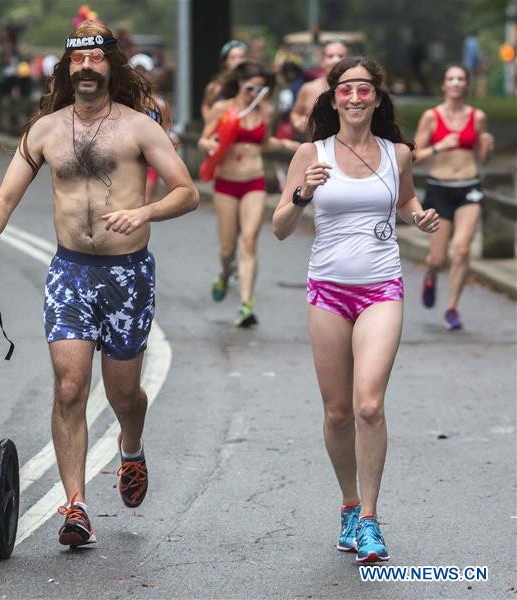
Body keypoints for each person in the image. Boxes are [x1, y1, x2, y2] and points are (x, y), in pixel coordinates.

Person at [0, 21, 198, 548]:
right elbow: (5, 195)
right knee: (69, 387)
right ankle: (76, 505)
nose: (87, 67)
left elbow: (187, 192)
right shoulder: (45, 131)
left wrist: (144, 212)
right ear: (67, 69)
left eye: (96, 58)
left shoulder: (139, 128)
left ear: (111, 66)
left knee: (123, 394)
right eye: (78, 59)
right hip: (70, 272)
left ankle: (131, 446)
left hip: (127, 276)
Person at [273, 56, 439, 563]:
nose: (355, 97)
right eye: (346, 89)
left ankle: (369, 518)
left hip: (381, 288)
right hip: (328, 291)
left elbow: (404, 201)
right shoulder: (312, 152)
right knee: (338, 412)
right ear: (333, 98)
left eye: (364, 89)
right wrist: (303, 193)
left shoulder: (398, 154)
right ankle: (348, 505)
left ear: (377, 98)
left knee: (368, 405)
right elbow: (280, 227)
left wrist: (419, 216)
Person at [198, 61, 299, 327]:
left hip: (254, 181)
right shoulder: (223, 108)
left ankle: (246, 304)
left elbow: (264, 143)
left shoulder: (264, 111)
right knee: (227, 248)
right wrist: (211, 144)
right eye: (250, 87)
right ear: (240, 84)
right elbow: (203, 139)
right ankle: (224, 272)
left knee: (250, 241)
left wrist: (285, 143)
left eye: (260, 89)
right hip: (227, 182)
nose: (255, 93)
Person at [412, 65, 494, 330]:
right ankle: (431, 273)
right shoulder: (431, 116)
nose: (456, 82)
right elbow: (413, 156)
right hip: (439, 188)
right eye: (451, 78)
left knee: (461, 249)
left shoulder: (478, 116)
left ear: (466, 84)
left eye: (460, 79)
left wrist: (487, 148)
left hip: (469, 186)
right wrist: (438, 146)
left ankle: (452, 309)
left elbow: (483, 159)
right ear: (444, 85)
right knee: (438, 258)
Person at [129, 53, 180, 204]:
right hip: (129, 159)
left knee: (144, 201)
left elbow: (168, 131)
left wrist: (170, 151)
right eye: (136, 71)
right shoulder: (123, 101)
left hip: (150, 159)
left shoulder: (159, 104)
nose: (139, 76)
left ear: (150, 75)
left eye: (143, 71)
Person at [290, 41, 348, 133]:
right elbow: (295, 113)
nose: (336, 60)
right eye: (330, 56)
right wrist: (298, 121)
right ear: (322, 61)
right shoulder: (308, 88)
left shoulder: (356, 90)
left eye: (341, 56)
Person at [201, 40, 248, 122]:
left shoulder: (251, 86)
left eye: (241, 57)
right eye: (233, 58)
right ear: (225, 61)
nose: (238, 61)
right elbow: (207, 111)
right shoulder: (214, 87)